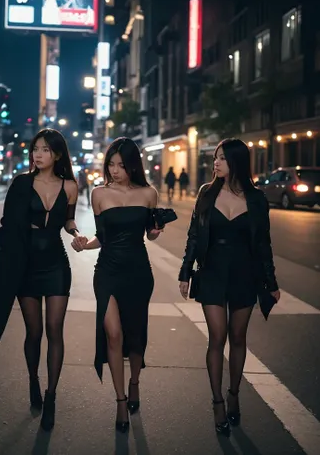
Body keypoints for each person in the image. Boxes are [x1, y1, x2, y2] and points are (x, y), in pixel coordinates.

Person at [0, 128, 87, 432]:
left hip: (56, 263)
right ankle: (33, 380)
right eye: (34, 149)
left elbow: (68, 220)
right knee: (34, 331)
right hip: (25, 263)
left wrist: (77, 234)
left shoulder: (70, 186)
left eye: (44, 150)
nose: (37, 154)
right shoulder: (21, 184)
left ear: (56, 154)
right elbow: (8, 223)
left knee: (55, 329)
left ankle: (51, 396)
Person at [178, 139, 280, 437]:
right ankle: (218, 402)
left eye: (222, 158)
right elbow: (194, 236)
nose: (216, 163)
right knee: (217, 337)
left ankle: (234, 392)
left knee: (238, 337)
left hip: (244, 274)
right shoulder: (207, 193)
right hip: (211, 272)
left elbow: (263, 243)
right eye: (215, 158)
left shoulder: (257, 198)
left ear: (236, 161)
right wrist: (186, 272)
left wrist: (271, 282)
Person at [72, 137, 163, 433]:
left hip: (138, 271)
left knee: (135, 335)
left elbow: (150, 235)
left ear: (132, 165)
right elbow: (104, 237)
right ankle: (120, 400)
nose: (114, 170)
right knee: (113, 334)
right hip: (107, 270)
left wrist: (156, 230)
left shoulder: (150, 193)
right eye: (110, 164)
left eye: (120, 165)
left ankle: (135, 382)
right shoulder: (98, 194)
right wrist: (85, 246)